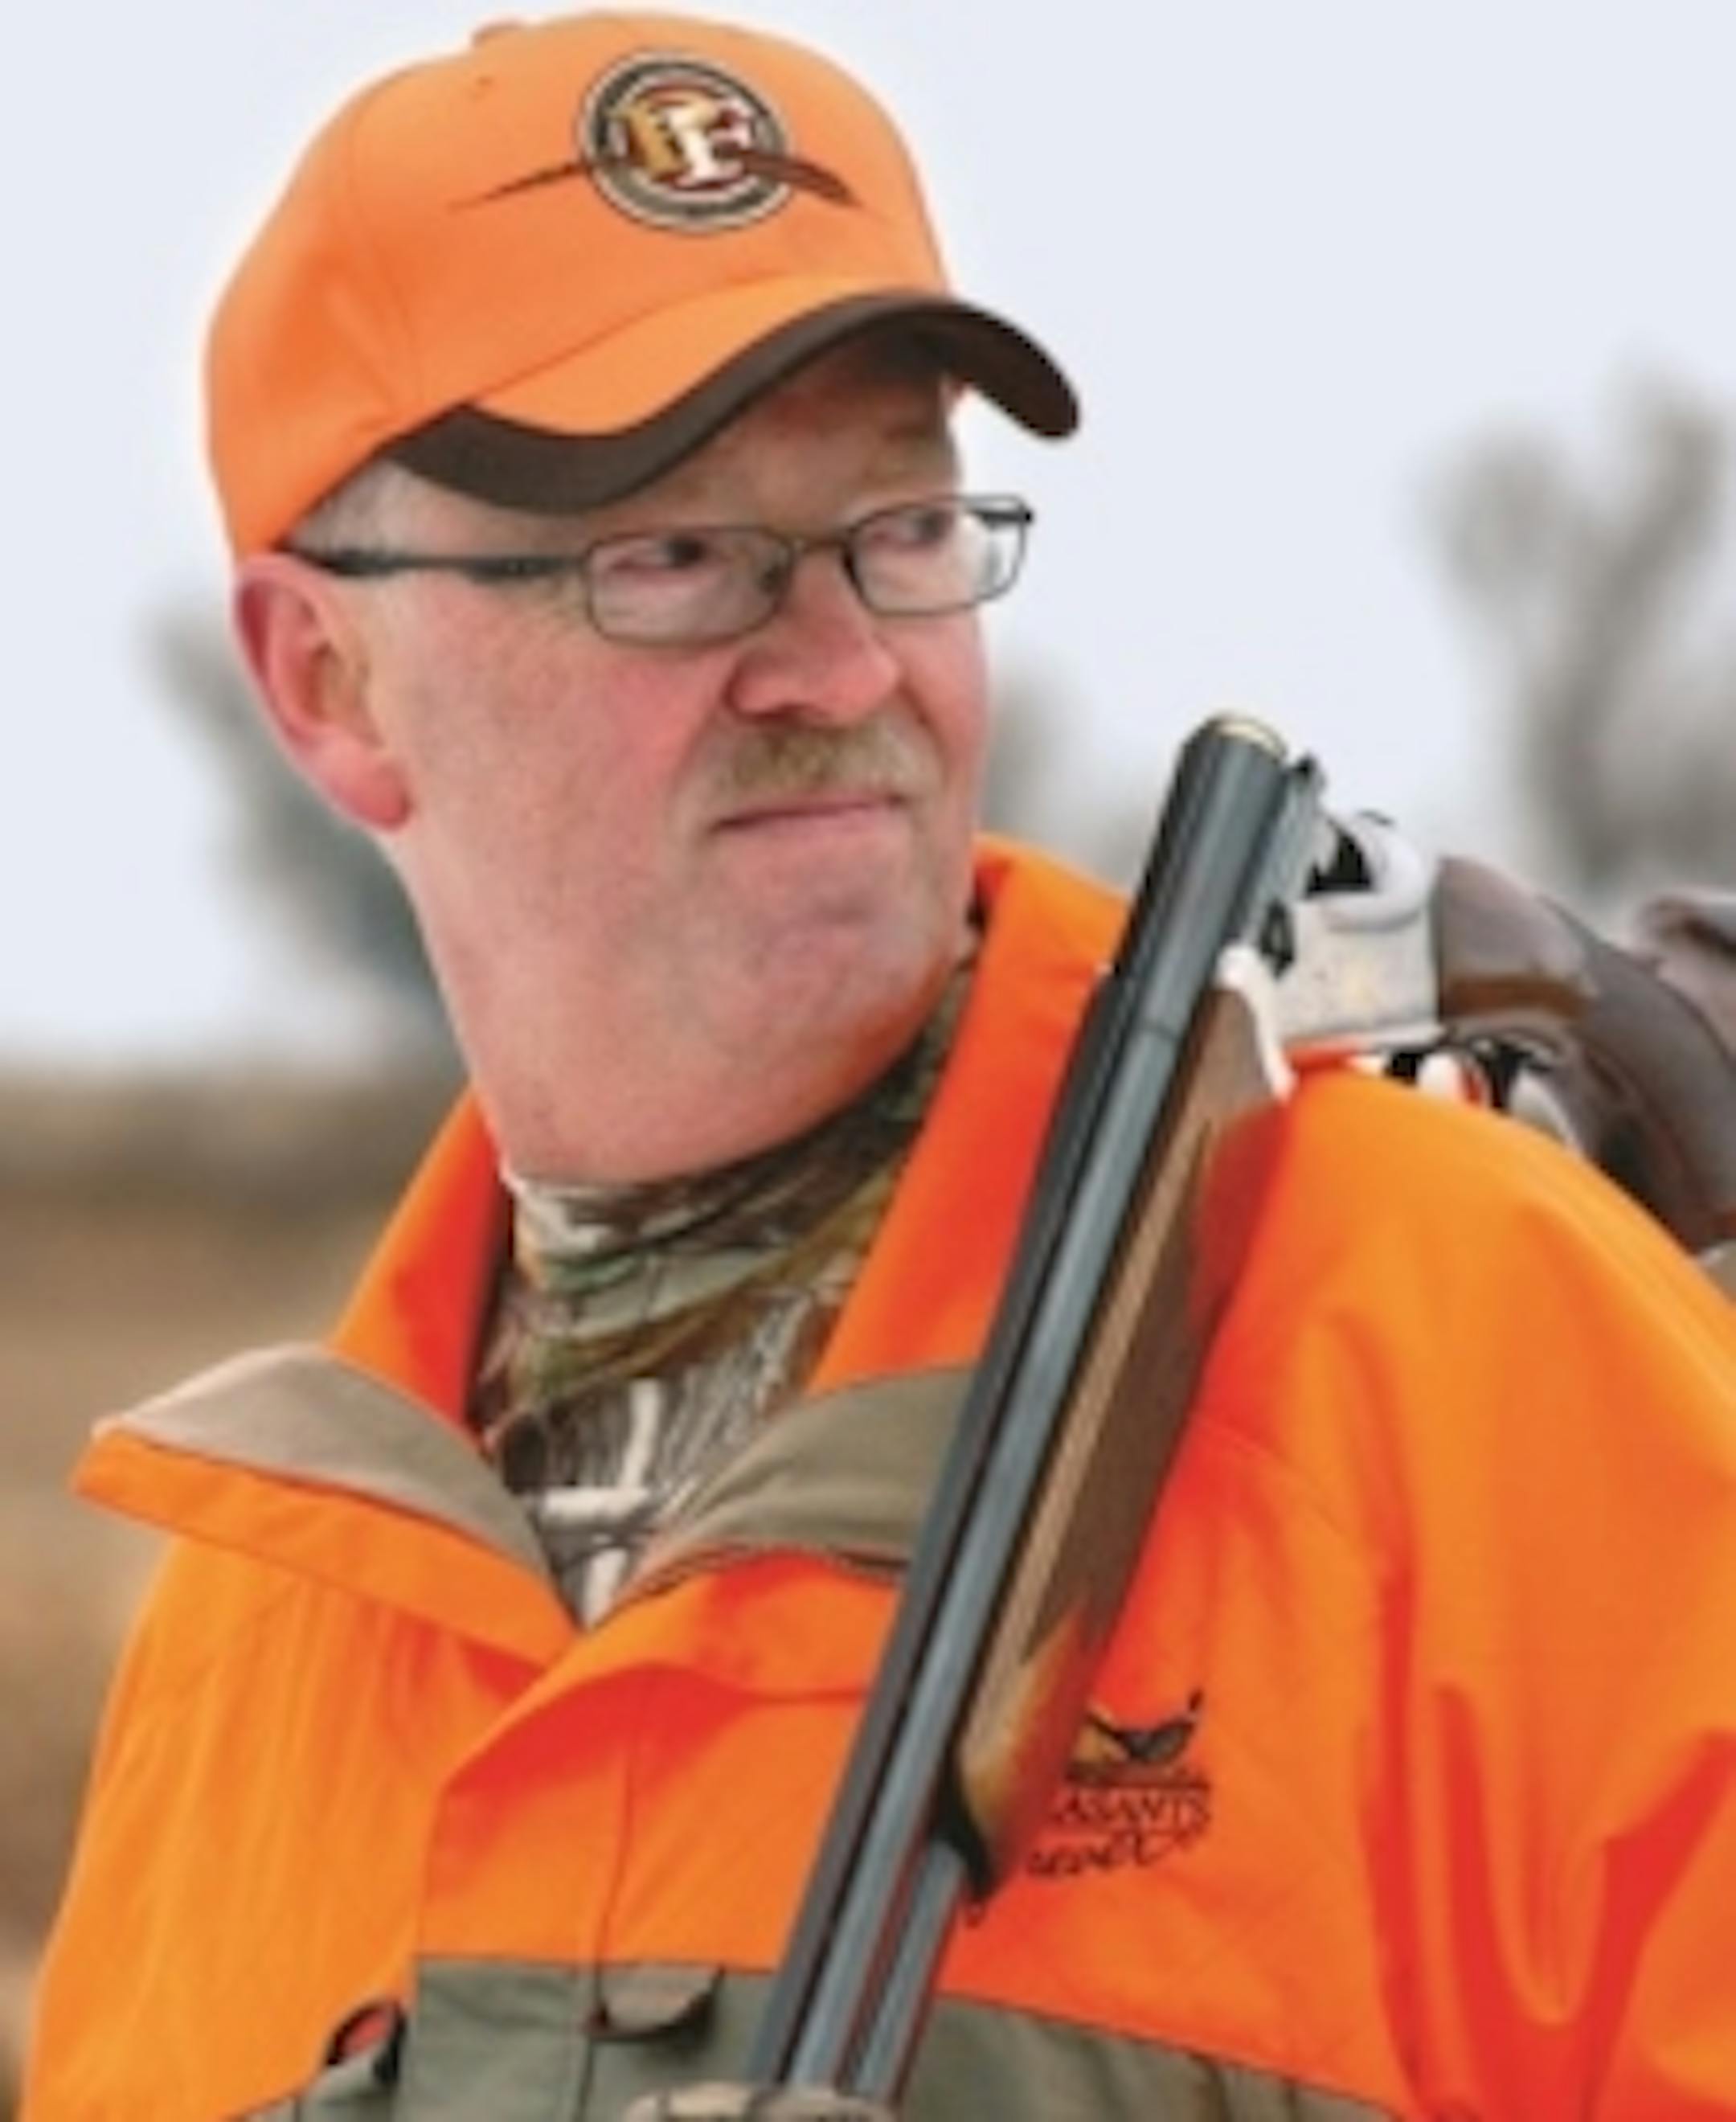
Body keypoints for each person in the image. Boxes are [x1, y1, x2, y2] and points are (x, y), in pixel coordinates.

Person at [24, 14, 1736, 2120]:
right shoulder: (250, 1630)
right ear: (327, 680)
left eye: (902, 530)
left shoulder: (1475, 1349)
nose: (842, 667)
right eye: (671, 559)